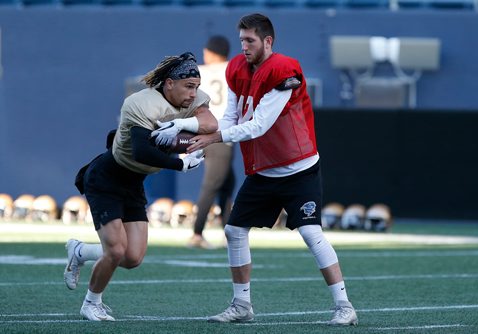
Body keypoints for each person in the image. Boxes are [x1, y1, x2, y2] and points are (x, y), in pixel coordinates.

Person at [183, 13, 359, 326]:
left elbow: (260, 125)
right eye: (241, 40)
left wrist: (213, 136)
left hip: (298, 168)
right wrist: (213, 141)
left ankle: (344, 305)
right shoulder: (236, 67)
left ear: (268, 41)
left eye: (250, 40)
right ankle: (241, 305)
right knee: (233, 230)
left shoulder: (284, 70)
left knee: (310, 233)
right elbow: (232, 115)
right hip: (264, 170)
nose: (244, 46)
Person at [64, 52, 217, 322]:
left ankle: (80, 251)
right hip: (107, 178)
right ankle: (91, 303)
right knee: (115, 251)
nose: (194, 94)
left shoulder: (191, 102)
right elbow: (142, 151)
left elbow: (211, 124)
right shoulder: (142, 103)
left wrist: (180, 124)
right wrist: (180, 164)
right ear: (169, 83)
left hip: (134, 183)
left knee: (132, 257)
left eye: (196, 87)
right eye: (189, 87)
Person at [187, 35, 236, 249]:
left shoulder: (199, 71)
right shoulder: (233, 69)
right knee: (213, 183)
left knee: (226, 182)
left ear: (211, 52)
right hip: (222, 134)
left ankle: (227, 232)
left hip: (208, 128)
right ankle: (197, 233)